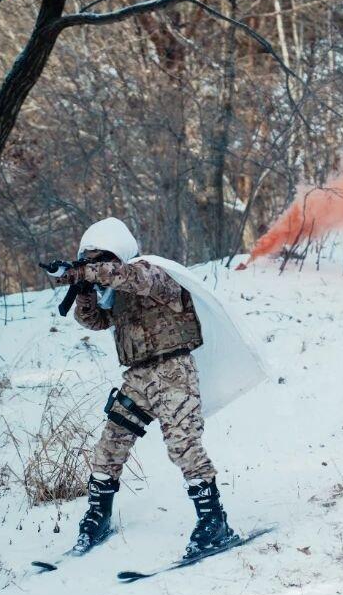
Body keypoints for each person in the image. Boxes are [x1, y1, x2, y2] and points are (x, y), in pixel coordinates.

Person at [54, 217, 266, 560]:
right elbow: (93, 321)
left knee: (183, 445)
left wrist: (86, 273)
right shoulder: (115, 292)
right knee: (110, 444)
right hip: (138, 377)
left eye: (101, 259)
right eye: (90, 260)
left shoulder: (151, 273)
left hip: (173, 372)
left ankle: (214, 523)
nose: (96, 266)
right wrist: (84, 293)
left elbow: (130, 277)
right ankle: (98, 515)